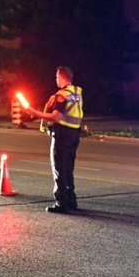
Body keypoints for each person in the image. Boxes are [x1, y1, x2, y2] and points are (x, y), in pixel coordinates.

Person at [22, 66, 84, 213]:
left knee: (59, 169)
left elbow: (56, 116)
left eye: (56, 77)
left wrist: (35, 113)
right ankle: (71, 201)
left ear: (61, 77)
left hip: (62, 135)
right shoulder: (77, 92)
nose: (55, 79)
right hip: (74, 134)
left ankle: (62, 203)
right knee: (68, 169)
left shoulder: (61, 95)